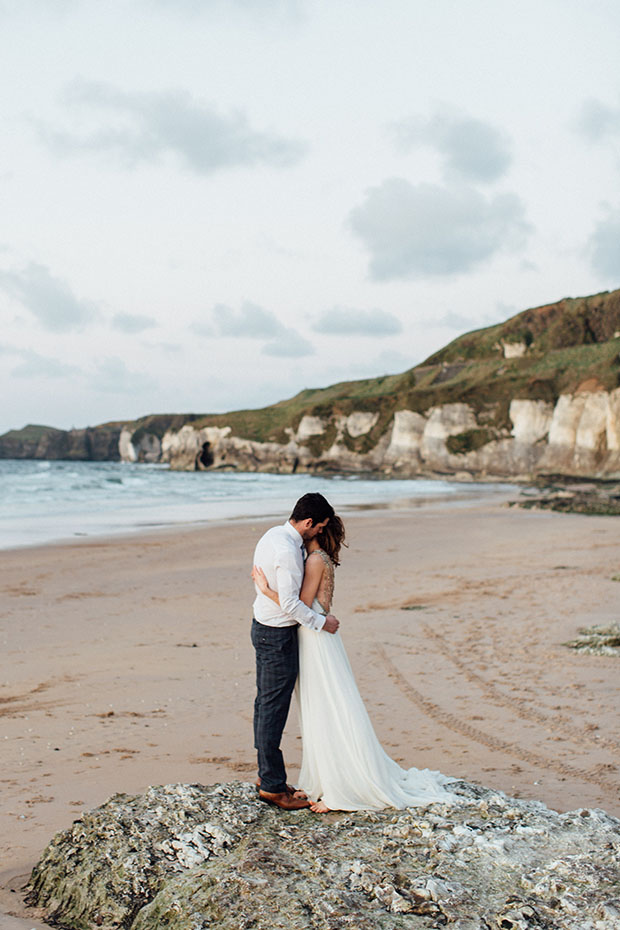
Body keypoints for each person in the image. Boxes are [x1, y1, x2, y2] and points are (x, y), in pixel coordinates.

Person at [252, 512, 456, 813]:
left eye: (319, 529)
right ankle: (276, 778)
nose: (312, 533)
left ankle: (334, 787)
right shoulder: (311, 554)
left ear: (316, 530)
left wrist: (264, 589)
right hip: (312, 633)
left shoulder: (312, 559)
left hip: (314, 635)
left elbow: (300, 605)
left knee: (325, 706)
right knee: (318, 704)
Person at [251, 492, 340, 811]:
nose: (319, 532)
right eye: (319, 527)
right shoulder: (289, 551)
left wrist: (263, 591)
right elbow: (291, 604)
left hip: (263, 626)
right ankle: (273, 786)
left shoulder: (272, 534)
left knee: (265, 703)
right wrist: (321, 623)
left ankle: (268, 775)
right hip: (277, 634)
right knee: (273, 708)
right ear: (307, 522)